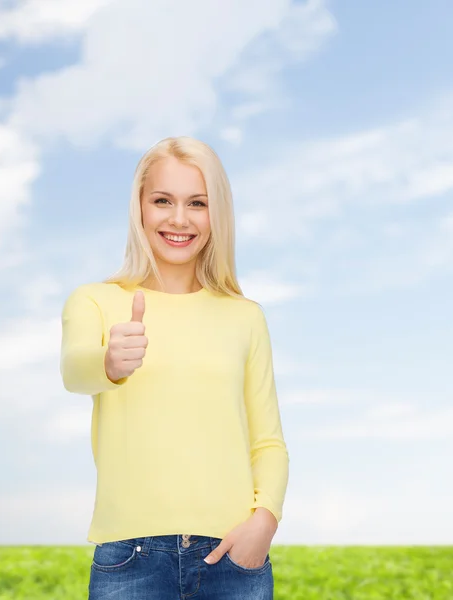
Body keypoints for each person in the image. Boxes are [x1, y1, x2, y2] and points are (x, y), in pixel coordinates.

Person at [60, 136, 290, 600]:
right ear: (140, 208)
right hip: (130, 557)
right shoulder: (96, 301)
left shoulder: (245, 316)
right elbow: (74, 372)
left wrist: (263, 522)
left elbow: (267, 441)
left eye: (197, 203)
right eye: (162, 200)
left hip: (232, 556)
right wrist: (109, 362)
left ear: (216, 214)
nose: (179, 219)